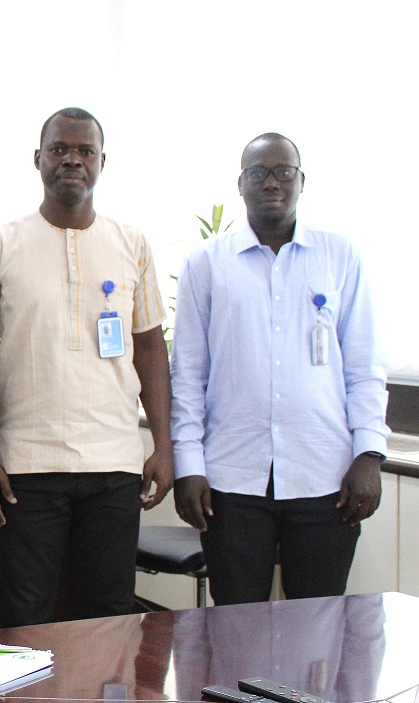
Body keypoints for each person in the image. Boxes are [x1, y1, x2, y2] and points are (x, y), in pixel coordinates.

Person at [0, 107, 173, 628]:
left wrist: (165, 446)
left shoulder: (133, 244)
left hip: (114, 463)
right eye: (59, 149)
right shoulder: (0, 244)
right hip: (26, 466)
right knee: (25, 616)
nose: (72, 160)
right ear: (37, 159)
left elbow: (150, 349)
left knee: (108, 616)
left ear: (102, 162)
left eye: (85, 151)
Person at [169, 132, 389, 604]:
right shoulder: (207, 264)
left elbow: (365, 365)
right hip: (232, 480)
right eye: (258, 173)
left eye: (283, 171)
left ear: (301, 180)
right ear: (241, 184)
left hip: (326, 478)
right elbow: (187, 375)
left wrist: (369, 455)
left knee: (318, 627)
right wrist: (188, 465)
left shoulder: (339, 256)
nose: (272, 182)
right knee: (234, 626)